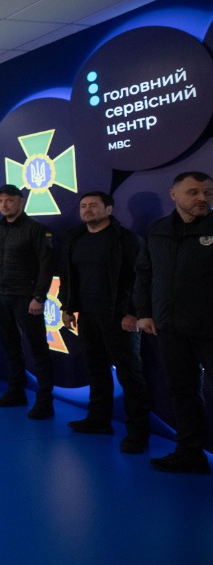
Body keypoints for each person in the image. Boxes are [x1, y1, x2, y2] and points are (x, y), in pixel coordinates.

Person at [132, 171, 213, 474]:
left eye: (208, 192)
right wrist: (144, 312)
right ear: (174, 195)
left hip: (210, 327)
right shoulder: (158, 229)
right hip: (170, 327)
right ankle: (190, 453)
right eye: (193, 192)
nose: (202, 198)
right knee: (182, 391)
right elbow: (145, 273)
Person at [58, 191, 149, 453]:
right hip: (87, 315)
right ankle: (99, 420)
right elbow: (69, 276)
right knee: (96, 369)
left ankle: (138, 433)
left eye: (94, 206)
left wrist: (133, 312)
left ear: (109, 210)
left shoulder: (126, 240)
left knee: (130, 374)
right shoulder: (76, 237)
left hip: (119, 317)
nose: (87, 210)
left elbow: (140, 278)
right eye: (83, 206)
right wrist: (68, 308)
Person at [0, 184, 55, 419]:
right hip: (0, 295)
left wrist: (39, 297)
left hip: (26, 298)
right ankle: (16, 392)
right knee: (10, 345)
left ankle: (45, 401)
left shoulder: (36, 229)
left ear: (20, 201)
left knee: (38, 349)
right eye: (0, 201)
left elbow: (46, 265)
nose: (4, 205)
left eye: (9, 200)